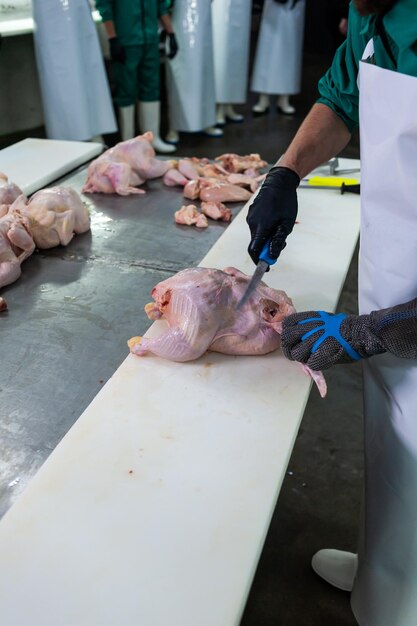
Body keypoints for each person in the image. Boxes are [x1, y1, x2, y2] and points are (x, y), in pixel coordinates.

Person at [246, 1, 417, 625]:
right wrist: (286, 173)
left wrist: (380, 327)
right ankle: (388, 574)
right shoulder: (372, 9)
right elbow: (343, 98)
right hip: (397, 262)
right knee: (394, 431)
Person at [95, 0, 178, 153]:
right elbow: (104, 6)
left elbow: (160, 6)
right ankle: (128, 142)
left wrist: (170, 32)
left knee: (151, 88)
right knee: (126, 90)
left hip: (150, 40)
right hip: (126, 40)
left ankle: (152, 139)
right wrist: (112, 38)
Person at [32, 0, 117, 142]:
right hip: (51, 14)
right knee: (60, 76)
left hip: (78, 11)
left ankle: (94, 131)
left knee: (87, 69)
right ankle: (71, 137)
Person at [165, 0, 223, 144]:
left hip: (204, 28)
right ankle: (174, 127)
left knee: (205, 75)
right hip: (180, 26)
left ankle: (207, 121)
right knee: (180, 77)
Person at [251, 0, 306, 116]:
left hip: (293, 7)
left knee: (289, 51)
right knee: (267, 51)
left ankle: (285, 97)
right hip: (272, 8)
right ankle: (263, 97)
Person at [211, 0, 252, 126]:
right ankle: (219, 106)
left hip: (241, 7)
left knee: (237, 55)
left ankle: (229, 104)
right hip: (221, 6)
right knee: (221, 53)